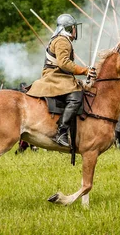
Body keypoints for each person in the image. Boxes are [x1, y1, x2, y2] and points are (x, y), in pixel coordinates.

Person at [27, 14, 96, 147]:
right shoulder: (62, 41)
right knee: (76, 96)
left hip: (60, 75)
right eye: (74, 28)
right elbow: (63, 63)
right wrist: (84, 70)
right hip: (55, 76)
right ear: (69, 28)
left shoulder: (61, 40)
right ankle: (61, 132)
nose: (76, 30)